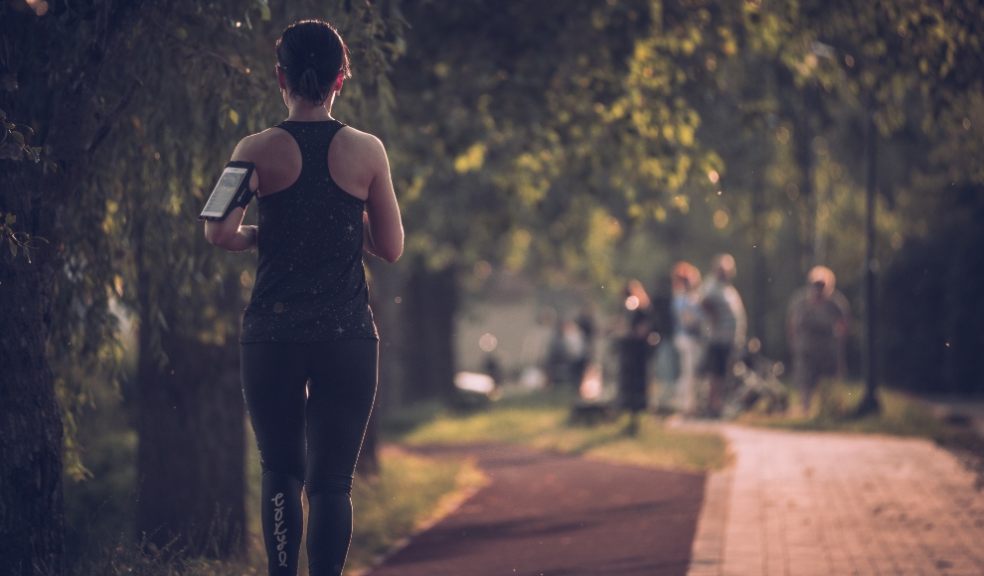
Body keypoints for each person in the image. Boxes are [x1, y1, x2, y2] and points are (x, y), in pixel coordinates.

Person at [204, 19, 403, 576]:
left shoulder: (255, 148)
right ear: (342, 77)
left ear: (279, 77)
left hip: (272, 334)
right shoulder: (367, 151)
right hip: (347, 337)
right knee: (333, 483)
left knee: (281, 471)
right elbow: (390, 246)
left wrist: (261, 235)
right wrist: (344, 223)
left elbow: (218, 232)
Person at [787, 265, 851, 415]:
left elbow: (844, 324)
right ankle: (805, 411)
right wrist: (793, 345)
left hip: (828, 350)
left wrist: (840, 346)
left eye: (822, 285)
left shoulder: (835, 303)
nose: (818, 289)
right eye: (815, 284)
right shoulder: (800, 301)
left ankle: (827, 412)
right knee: (805, 382)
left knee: (828, 382)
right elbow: (791, 325)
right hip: (806, 350)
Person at [699, 254, 746, 418]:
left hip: (728, 339)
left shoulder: (727, 288)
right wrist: (714, 318)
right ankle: (713, 406)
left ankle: (718, 405)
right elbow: (704, 303)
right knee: (716, 374)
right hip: (717, 339)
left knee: (723, 374)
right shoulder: (712, 285)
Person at [617, 279, 654, 434]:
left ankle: (636, 419)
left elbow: (642, 330)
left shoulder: (640, 308)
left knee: (637, 384)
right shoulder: (637, 309)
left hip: (637, 353)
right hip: (633, 353)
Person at [670, 261, 703, 416]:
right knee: (688, 373)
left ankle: (689, 404)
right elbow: (688, 320)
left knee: (691, 373)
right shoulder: (682, 299)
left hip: (691, 339)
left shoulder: (689, 298)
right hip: (686, 338)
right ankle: (686, 406)